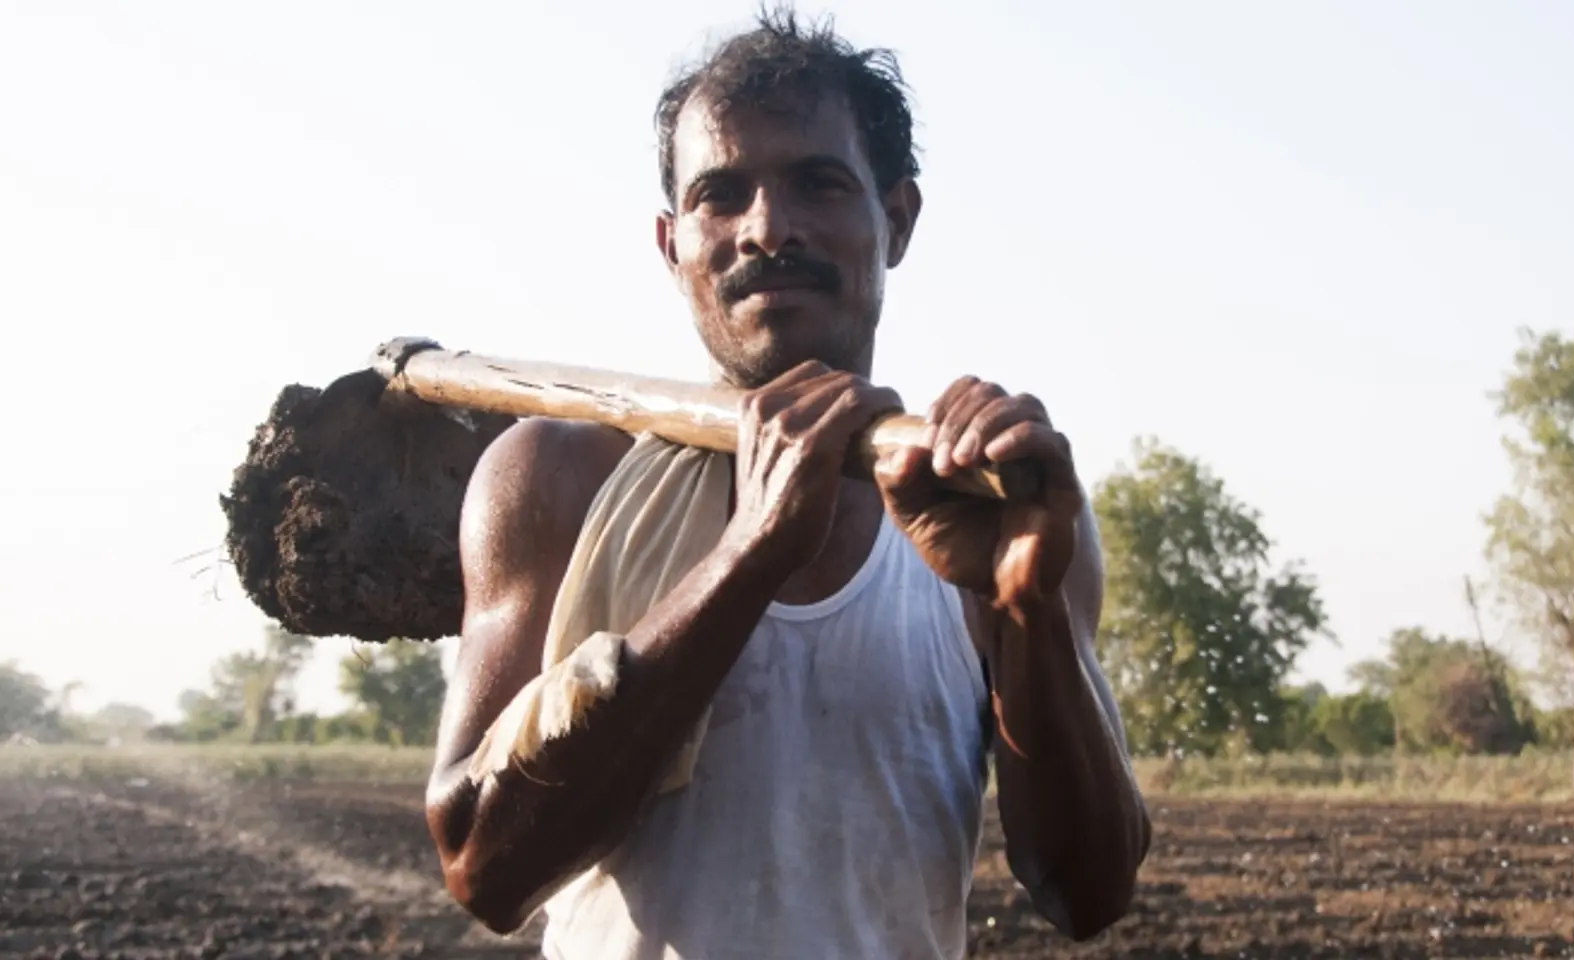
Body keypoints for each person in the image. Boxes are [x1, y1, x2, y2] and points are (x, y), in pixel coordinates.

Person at [423, 9, 1151, 958]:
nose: (767, 228)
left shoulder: (996, 502)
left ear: (897, 218)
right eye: (721, 195)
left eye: (819, 182)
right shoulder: (554, 478)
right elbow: (484, 866)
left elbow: (1087, 892)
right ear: (670, 241)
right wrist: (749, 553)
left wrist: (1028, 612)